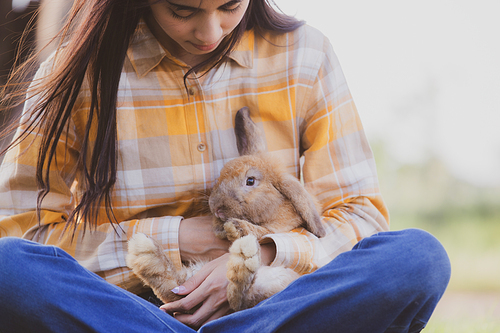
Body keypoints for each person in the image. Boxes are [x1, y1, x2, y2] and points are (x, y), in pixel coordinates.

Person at [0, 0, 451, 332]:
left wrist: (262, 253)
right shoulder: (79, 71)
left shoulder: (305, 55)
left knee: (417, 258)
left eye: (231, 5)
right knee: (8, 267)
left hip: (276, 305)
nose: (209, 31)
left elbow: (360, 216)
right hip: (136, 315)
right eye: (182, 10)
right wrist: (177, 238)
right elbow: (20, 230)